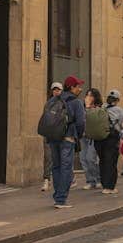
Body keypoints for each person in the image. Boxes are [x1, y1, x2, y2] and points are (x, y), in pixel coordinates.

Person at [47, 76, 86, 208]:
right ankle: (61, 199)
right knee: (66, 168)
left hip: (53, 138)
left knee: (56, 167)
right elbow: (81, 123)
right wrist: (78, 136)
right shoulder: (76, 102)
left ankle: (58, 196)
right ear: (71, 87)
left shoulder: (53, 99)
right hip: (67, 138)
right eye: (78, 86)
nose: (80, 89)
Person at [94, 89, 123, 194]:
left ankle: (104, 184)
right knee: (111, 162)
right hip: (111, 139)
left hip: (99, 139)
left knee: (102, 161)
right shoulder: (119, 110)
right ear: (117, 100)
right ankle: (110, 186)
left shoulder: (100, 108)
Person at [41, 80, 63, 192]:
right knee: (48, 157)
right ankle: (46, 180)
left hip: (60, 134)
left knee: (61, 158)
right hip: (49, 133)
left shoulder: (64, 103)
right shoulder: (48, 103)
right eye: (54, 90)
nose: (56, 92)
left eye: (58, 90)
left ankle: (69, 178)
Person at [79, 89, 103, 190]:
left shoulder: (98, 109)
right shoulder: (82, 108)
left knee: (91, 158)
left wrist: (89, 108)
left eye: (91, 96)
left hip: (93, 137)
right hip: (83, 136)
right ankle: (90, 180)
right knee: (83, 159)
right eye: (87, 95)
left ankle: (98, 179)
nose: (88, 98)